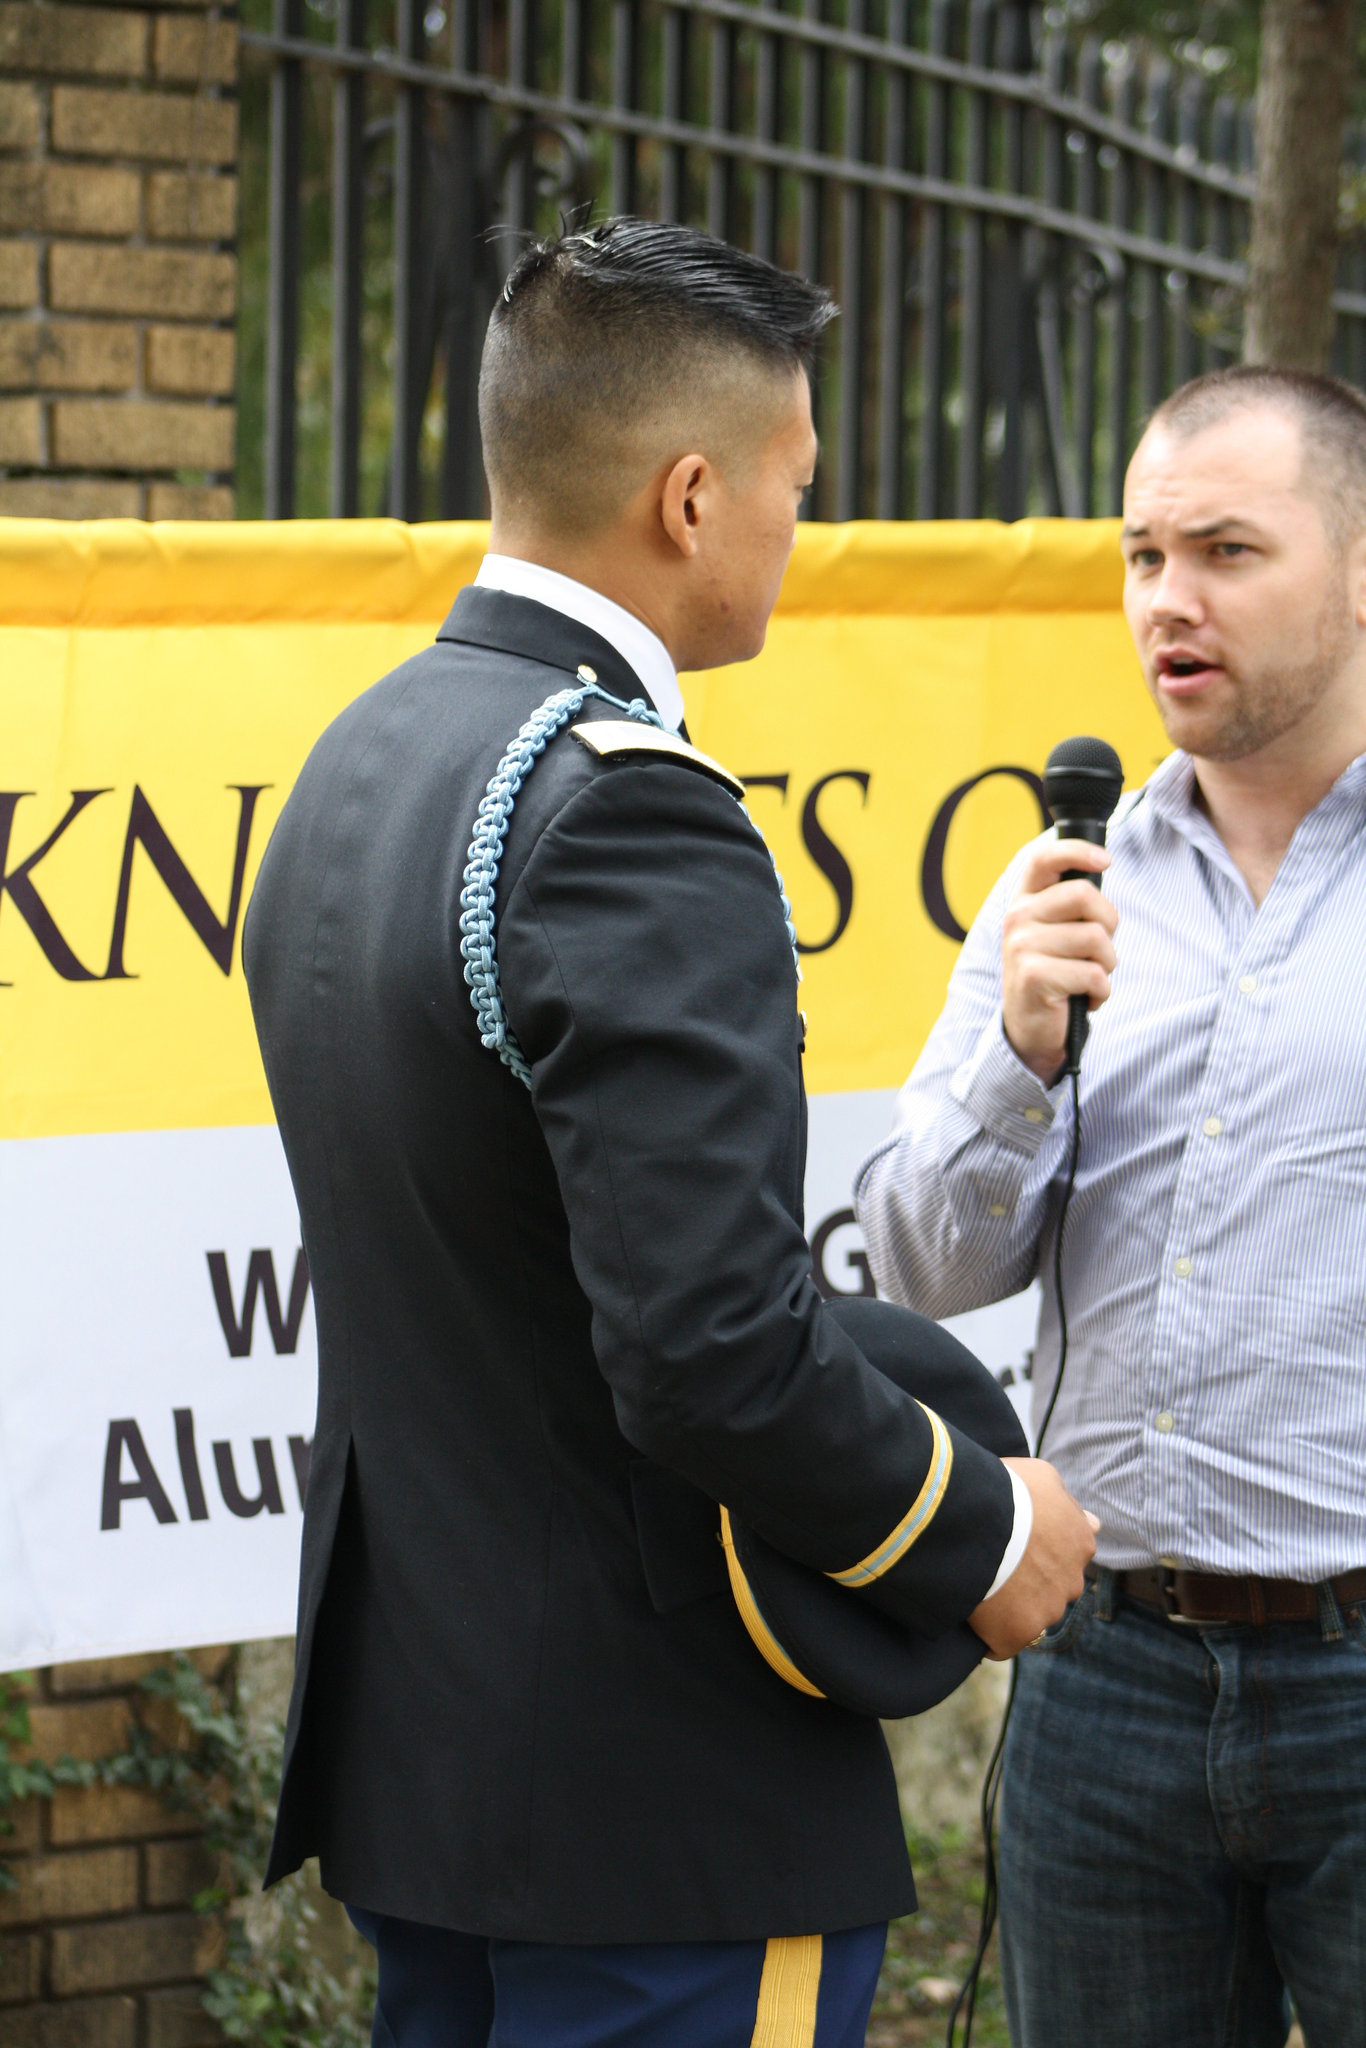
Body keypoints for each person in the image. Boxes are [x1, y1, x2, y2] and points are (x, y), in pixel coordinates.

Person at [242, 219, 1096, 2048]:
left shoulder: (355, 763)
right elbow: (707, 1352)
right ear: (691, 496)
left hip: (435, 1770)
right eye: (797, 481)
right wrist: (975, 1526)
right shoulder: (629, 810)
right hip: (653, 1801)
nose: (810, 516)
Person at [855, 364, 1366, 2048]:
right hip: (1104, 1682)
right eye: (1144, 555)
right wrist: (1017, 1052)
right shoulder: (1059, 887)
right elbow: (922, 1265)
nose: (1168, 601)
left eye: (1227, 550)